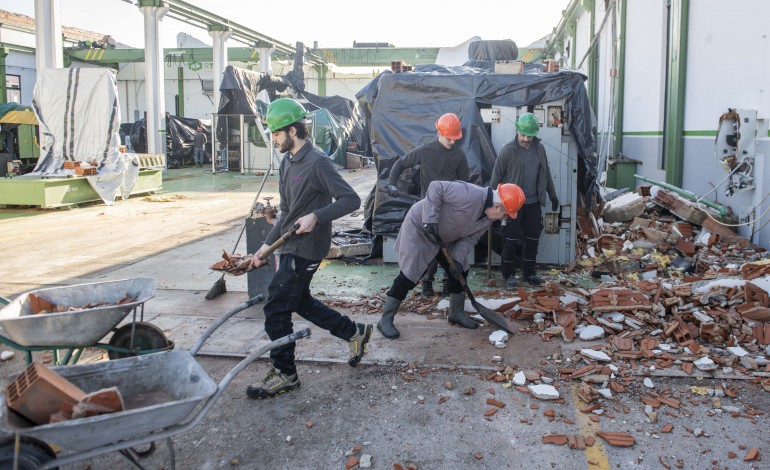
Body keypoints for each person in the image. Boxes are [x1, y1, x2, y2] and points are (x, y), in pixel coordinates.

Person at [247, 97, 373, 399]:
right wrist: (264, 249)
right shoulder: (287, 163)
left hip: (309, 248)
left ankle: (285, 374)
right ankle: (353, 332)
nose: (273, 139)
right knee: (299, 301)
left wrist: (317, 216)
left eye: (276, 133)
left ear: (293, 130)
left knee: (276, 306)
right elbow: (289, 212)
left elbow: (351, 199)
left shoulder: (318, 163)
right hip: (290, 245)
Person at [377, 180, 525, 339]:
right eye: (504, 214)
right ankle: (385, 319)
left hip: (446, 237)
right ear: (497, 206)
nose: (503, 218)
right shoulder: (470, 194)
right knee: (410, 274)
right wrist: (430, 219)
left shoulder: (487, 219)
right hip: (422, 227)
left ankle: (456, 313)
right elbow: (435, 187)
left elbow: (469, 239)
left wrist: (457, 261)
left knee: (460, 272)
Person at [386, 112, 471, 297]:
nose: (452, 142)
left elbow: (465, 186)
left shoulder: (459, 156)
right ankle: (427, 281)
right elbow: (400, 164)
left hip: (449, 210)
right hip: (427, 209)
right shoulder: (425, 151)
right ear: (439, 133)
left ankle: (450, 283)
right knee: (430, 248)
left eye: (455, 138)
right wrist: (391, 183)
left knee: (450, 248)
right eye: (449, 138)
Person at [489, 112, 559, 288]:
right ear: (517, 130)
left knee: (532, 240)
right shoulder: (508, 151)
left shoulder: (539, 149)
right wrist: (494, 203)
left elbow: (546, 173)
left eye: (530, 135)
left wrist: (552, 194)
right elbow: (494, 180)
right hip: (512, 205)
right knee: (510, 241)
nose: (526, 139)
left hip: (533, 203)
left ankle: (529, 274)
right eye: (523, 134)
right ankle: (509, 275)